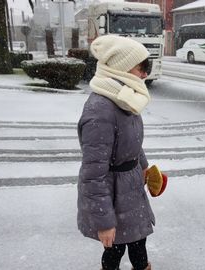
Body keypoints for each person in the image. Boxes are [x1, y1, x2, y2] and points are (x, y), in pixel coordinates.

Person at [77, 35, 154, 270]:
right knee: (115, 251)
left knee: (139, 245)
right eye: (142, 67)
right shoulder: (101, 110)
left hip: (130, 187)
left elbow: (132, 144)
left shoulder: (125, 98)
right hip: (112, 194)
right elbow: (93, 174)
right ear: (121, 66)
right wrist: (105, 222)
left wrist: (147, 170)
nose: (145, 73)